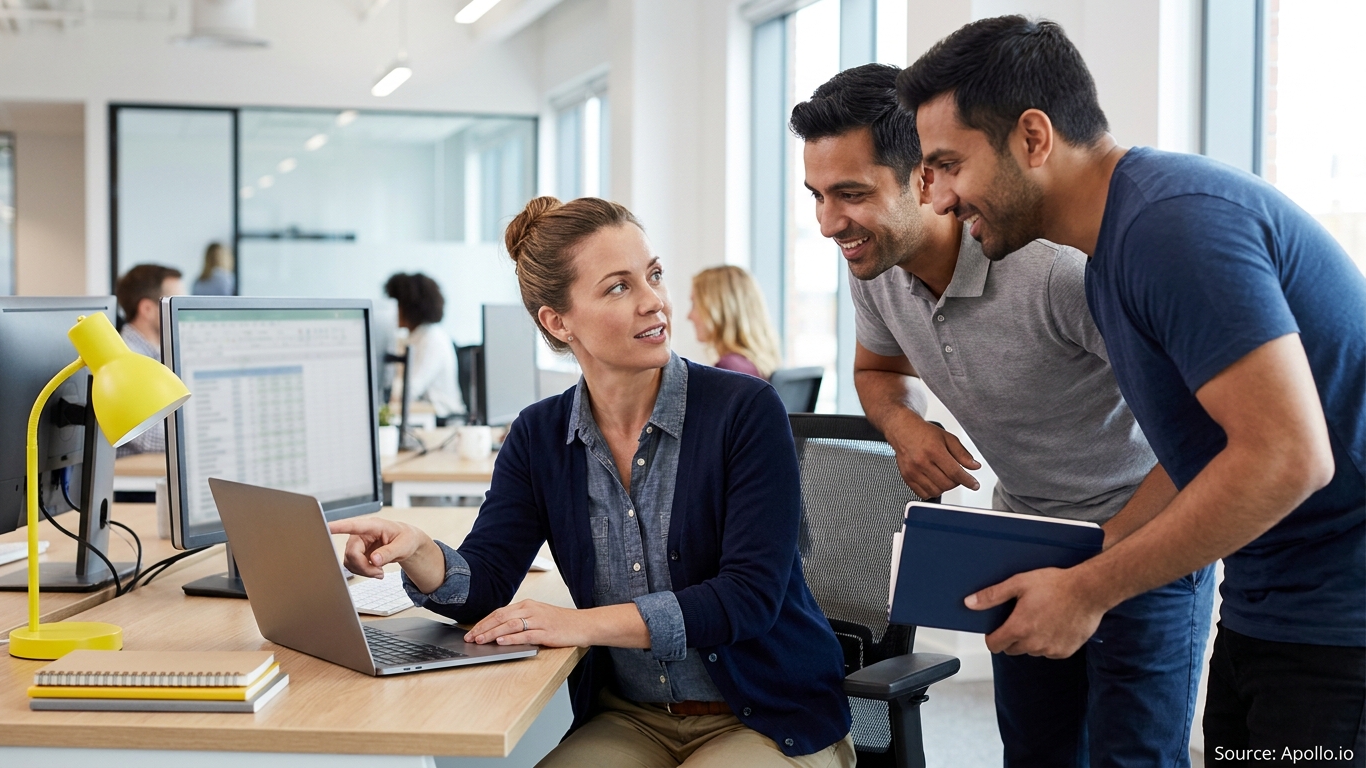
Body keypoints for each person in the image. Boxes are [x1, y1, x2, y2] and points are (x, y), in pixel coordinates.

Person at [899, 16, 1366, 757]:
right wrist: (1090, 558)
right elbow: (1202, 451)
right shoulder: (1114, 255)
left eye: (951, 164)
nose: (941, 199)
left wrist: (1091, 590)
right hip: (1267, 600)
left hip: (1339, 620)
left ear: (1033, 138)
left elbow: (1290, 456)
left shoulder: (1171, 228)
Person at [332, 197, 854, 767]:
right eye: (619, 287)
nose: (654, 301)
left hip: (768, 718)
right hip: (630, 718)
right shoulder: (539, 435)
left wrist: (576, 624)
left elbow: (747, 599)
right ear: (557, 321)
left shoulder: (745, 410)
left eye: (654, 275)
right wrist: (419, 552)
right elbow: (487, 582)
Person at [793, 62, 1213, 766]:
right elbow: (878, 371)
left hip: (1144, 537)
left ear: (926, 178)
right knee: (1036, 753)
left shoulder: (1056, 272)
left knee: (1133, 756)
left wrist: (1104, 561)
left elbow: (1200, 432)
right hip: (1026, 540)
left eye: (852, 194)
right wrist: (904, 426)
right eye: (817, 196)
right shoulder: (876, 266)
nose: (829, 223)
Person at [115, 263, 185, 456]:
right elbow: (150, 437)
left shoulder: (158, 354)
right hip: (132, 472)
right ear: (147, 309)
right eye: (176, 304)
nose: (183, 313)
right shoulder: (126, 360)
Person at [383, 273, 463, 421]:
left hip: (443, 419)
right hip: (423, 414)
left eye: (396, 305)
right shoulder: (412, 337)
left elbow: (409, 390)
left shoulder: (432, 338)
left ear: (407, 307)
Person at [687, 265, 781, 379]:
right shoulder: (756, 364)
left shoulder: (729, 369)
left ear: (718, 309)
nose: (689, 316)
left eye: (695, 304)